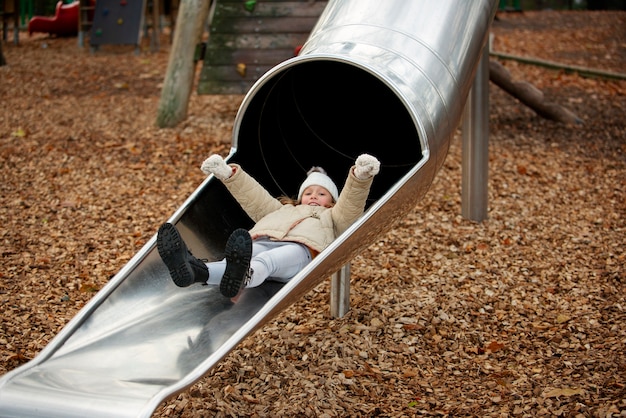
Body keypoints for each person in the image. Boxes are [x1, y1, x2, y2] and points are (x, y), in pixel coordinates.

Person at [156, 153, 380, 299]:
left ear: (331, 200)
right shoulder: (282, 210)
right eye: (308, 192)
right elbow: (255, 198)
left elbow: (351, 205)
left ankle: (242, 276)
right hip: (264, 239)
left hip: (301, 251)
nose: (314, 196)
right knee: (244, 254)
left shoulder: (331, 217)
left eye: (321, 194)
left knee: (266, 261)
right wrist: (229, 175)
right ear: (300, 197)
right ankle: (195, 272)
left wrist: (360, 178)